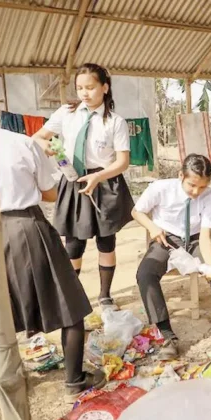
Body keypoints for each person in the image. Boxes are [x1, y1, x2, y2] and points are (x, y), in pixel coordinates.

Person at [0, 85, 104, 402]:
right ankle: (74, 381)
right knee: (71, 309)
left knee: (0, 316)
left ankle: (7, 382)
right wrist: (61, 166)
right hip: (28, 231)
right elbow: (49, 193)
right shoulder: (20, 143)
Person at [32, 63, 134, 312]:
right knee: (73, 243)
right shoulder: (66, 113)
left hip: (105, 183)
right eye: (80, 88)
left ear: (105, 87)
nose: (84, 93)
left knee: (106, 242)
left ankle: (105, 296)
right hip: (73, 180)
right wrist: (45, 146)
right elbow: (38, 136)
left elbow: (122, 162)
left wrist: (98, 177)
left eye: (90, 87)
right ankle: (71, 297)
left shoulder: (115, 122)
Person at [132, 154, 211, 360]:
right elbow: (137, 212)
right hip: (165, 238)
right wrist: (152, 227)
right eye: (192, 185)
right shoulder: (160, 188)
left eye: (202, 187)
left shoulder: (210, 197)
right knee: (145, 275)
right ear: (180, 175)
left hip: (196, 239)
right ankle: (167, 336)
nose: (196, 192)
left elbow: (206, 236)